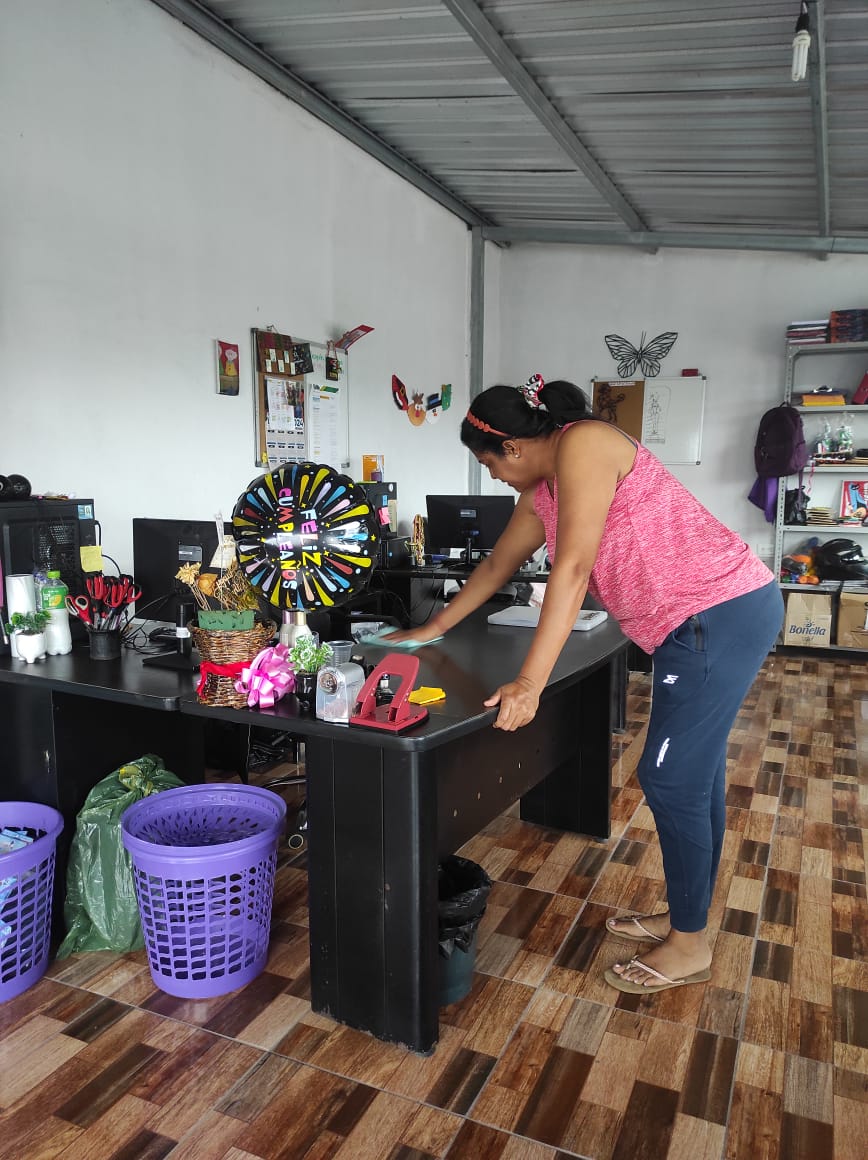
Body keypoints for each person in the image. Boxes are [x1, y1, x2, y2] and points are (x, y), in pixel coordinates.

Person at [386, 378, 783, 995]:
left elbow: (571, 569)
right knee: (692, 777)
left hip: (716, 613)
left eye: (490, 464)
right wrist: (431, 627)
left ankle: (690, 945)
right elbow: (497, 564)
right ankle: (687, 920)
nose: (494, 477)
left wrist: (529, 682)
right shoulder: (542, 490)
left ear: (514, 447)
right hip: (695, 621)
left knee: (671, 779)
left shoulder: (585, 443)